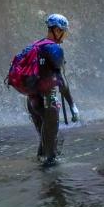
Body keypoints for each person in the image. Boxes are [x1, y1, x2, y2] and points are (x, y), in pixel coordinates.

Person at [27, 13, 79, 165]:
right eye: (64, 31)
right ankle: (53, 184)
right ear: (57, 30)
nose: (65, 35)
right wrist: (72, 106)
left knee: (44, 144)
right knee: (52, 151)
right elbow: (61, 81)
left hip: (32, 101)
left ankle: (41, 179)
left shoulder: (35, 46)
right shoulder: (54, 49)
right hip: (48, 101)